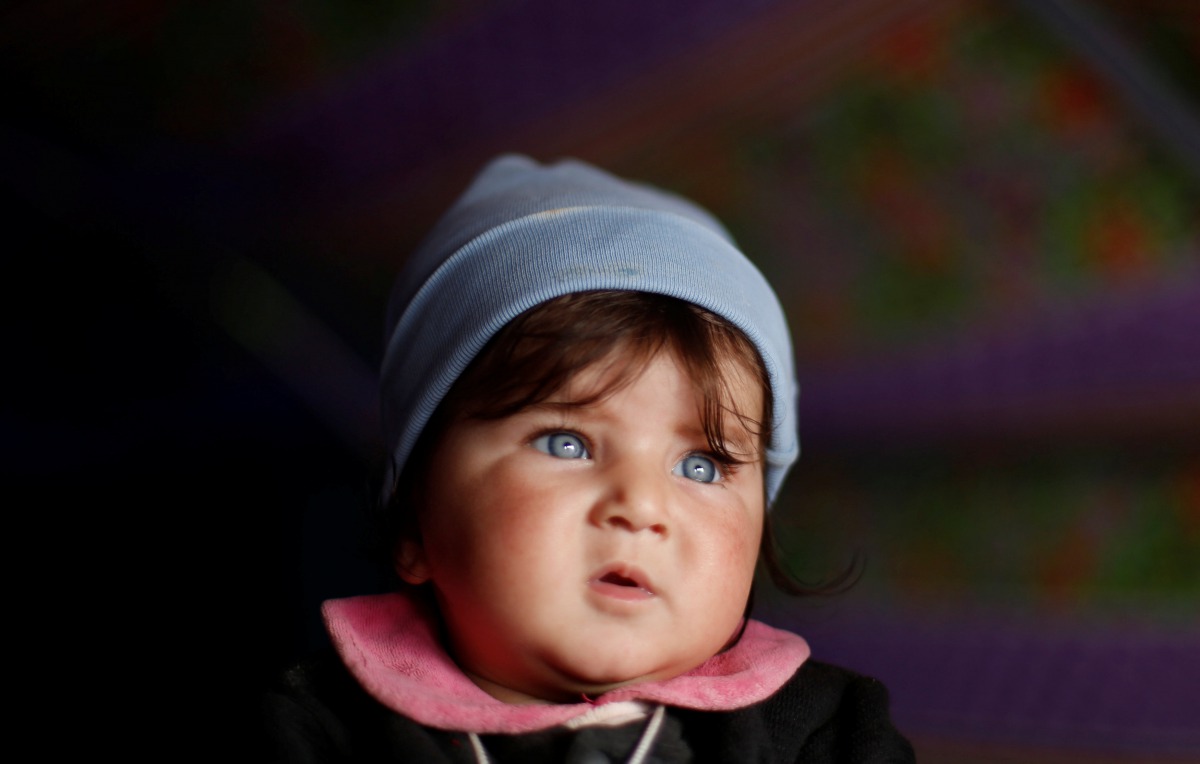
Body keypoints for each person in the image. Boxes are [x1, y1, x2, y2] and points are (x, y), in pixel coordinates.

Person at [262, 154, 915, 762]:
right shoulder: (318, 732)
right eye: (565, 443)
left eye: (702, 466)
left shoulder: (827, 736)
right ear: (414, 525)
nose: (640, 505)